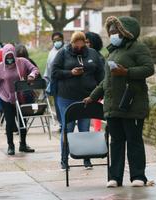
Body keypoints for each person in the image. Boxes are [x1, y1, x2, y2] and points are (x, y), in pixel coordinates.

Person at [84, 16, 154, 188]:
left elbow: (149, 68)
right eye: (111, 31)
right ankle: (114, 177)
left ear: (126, 32)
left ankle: (138, 176)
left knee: (134, 140)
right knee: (115, 142)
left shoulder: (138, 48)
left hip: (132, 103)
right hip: (113, 105)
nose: (113, 34)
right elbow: (106, 81)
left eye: (116, 31)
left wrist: (127, 72)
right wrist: (93, 96)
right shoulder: (113, 51)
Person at [51, 31, 105, 170]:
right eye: (77, 46)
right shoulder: (63, 53)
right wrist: (70, 73)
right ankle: (64, 159)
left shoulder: (92, 53)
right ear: (72, 43)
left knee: (84, 128)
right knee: (67, 128)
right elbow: (55, 72)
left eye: (82, 46)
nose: (80, 48)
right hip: (66, 97)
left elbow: (100, 74)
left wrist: (100, 91)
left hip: (86, 97)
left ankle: (86, 158)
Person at [0, 43, 39, 155]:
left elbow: (34, 69)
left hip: (20, 96)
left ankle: (23, 144)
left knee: (22, 121)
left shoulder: (22, 62)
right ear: (3, 56)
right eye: (7, 57)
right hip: (6, 97)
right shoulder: (0, 67)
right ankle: (10, 146)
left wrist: (32, 75)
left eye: (11, 57)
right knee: (9, 121)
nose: (10, 59)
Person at [43, 32, 65, 131]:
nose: (57, 42)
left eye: (59, 40)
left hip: (65, 81)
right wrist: (46, 81)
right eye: (55, 40)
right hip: (55, 82)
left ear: (62, 39)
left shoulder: (67, 50)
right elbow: (48, 68)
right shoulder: (51, 52)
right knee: (57, 104)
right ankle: (61, 124)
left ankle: (66, 123)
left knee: (65, 103)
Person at [85, 32, 105, 131]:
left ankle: (97, 131)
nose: (85, 45)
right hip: (87, 90)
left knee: (95, 114)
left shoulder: (98, 57)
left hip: (96, 90)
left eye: (88, 42)